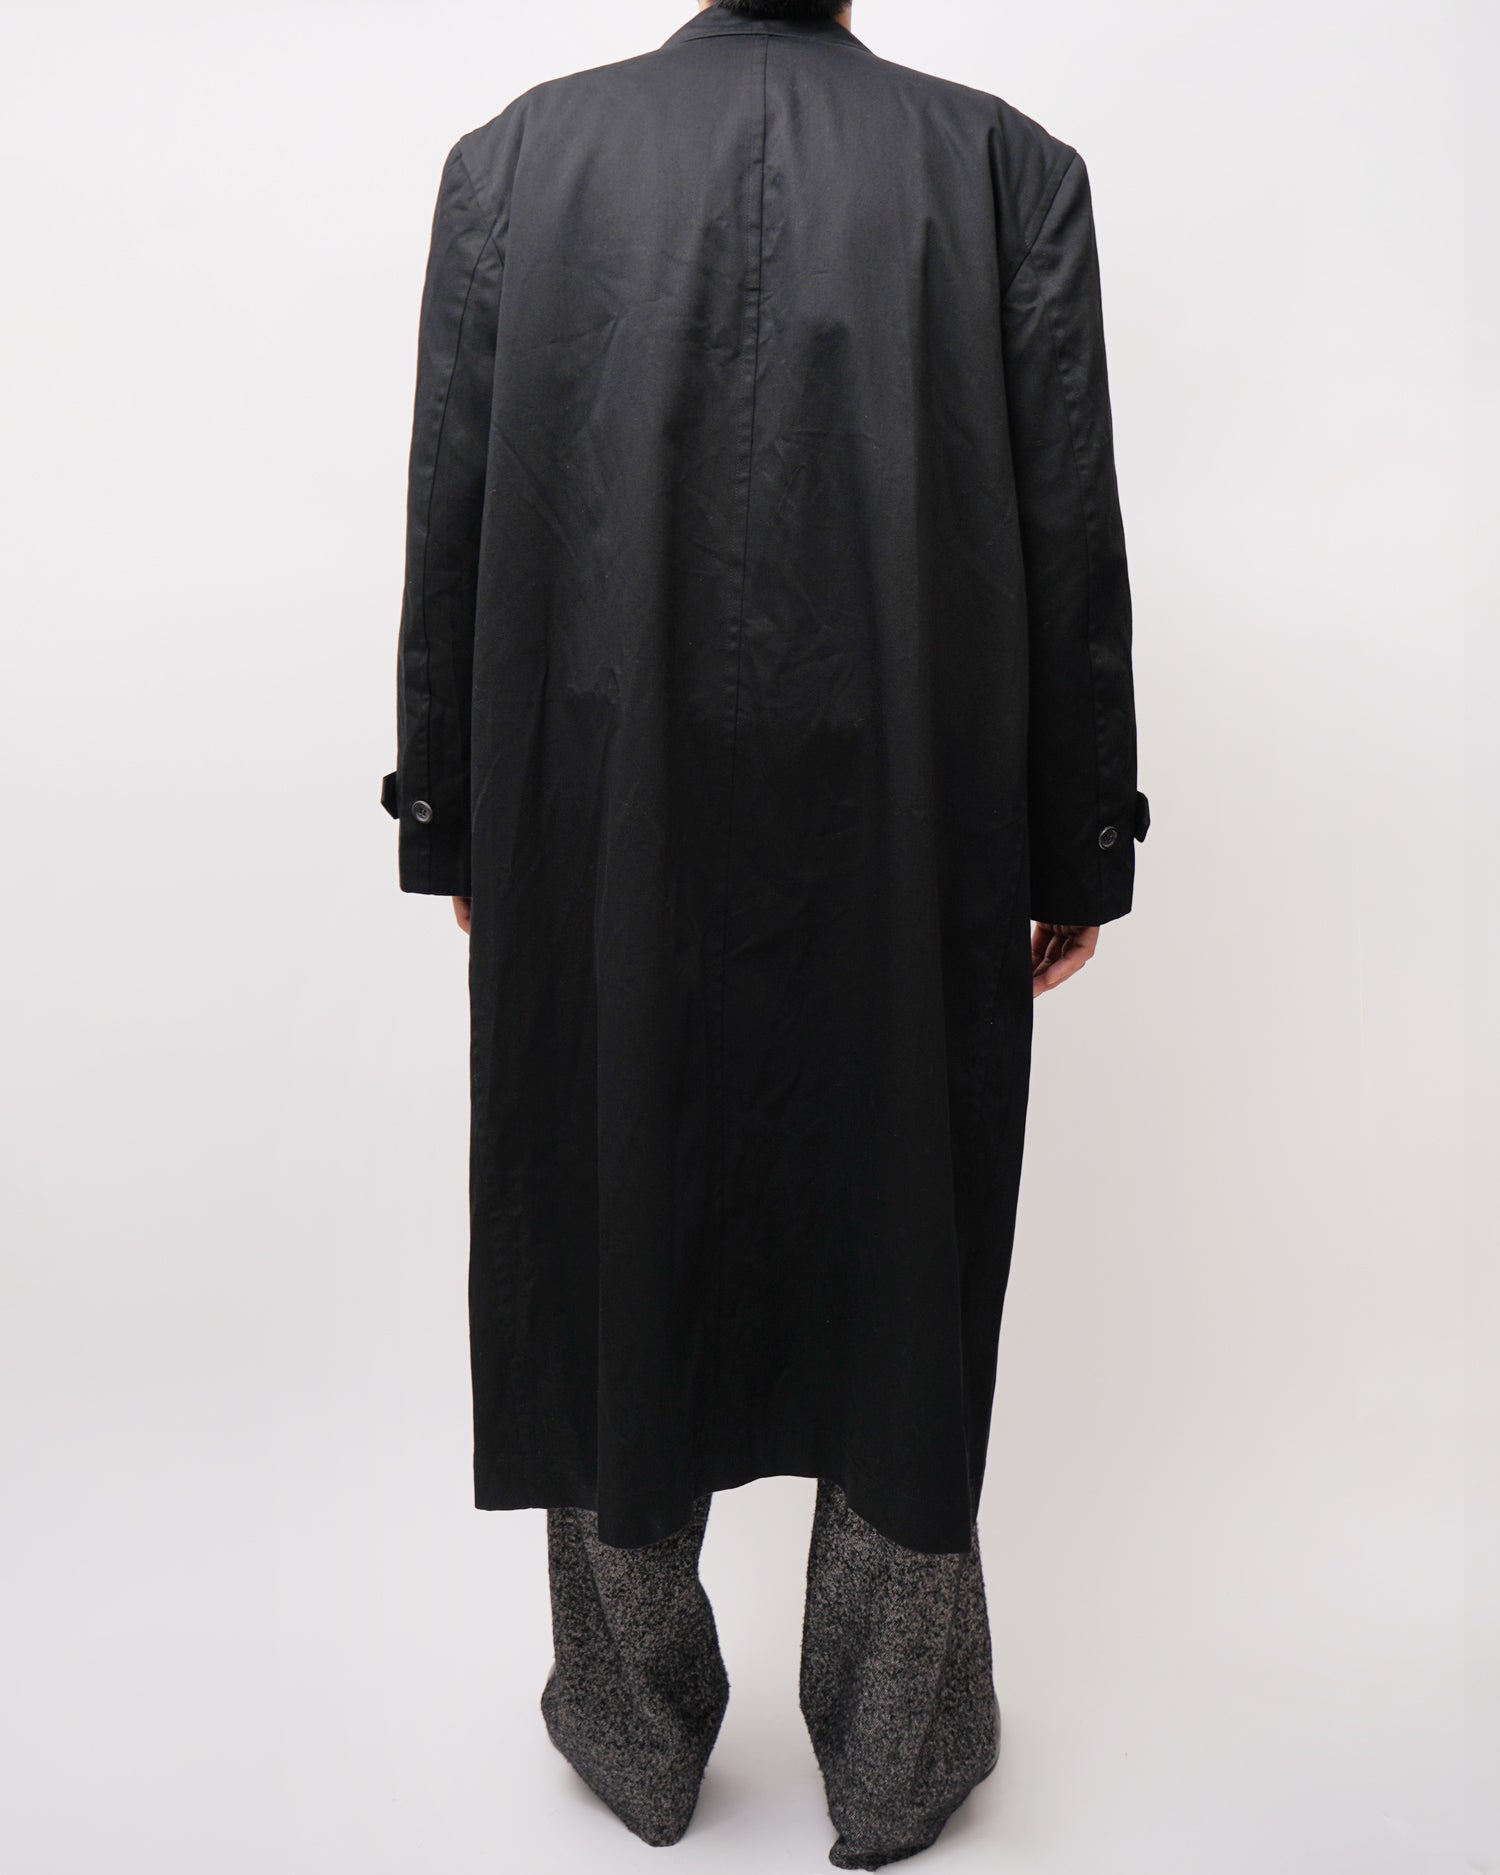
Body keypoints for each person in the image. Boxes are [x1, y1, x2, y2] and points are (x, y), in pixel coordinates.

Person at [382, 0, 1148, 1864]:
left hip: (600, 801)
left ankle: (630, 1731)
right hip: (912, 804)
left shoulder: (519, 161)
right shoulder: (1002, 168)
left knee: (609, 1213)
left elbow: (454, 505)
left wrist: (457, 812)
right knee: (904, 1237)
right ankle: (898, 1753)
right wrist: (1078, 840)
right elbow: (1068, 530)